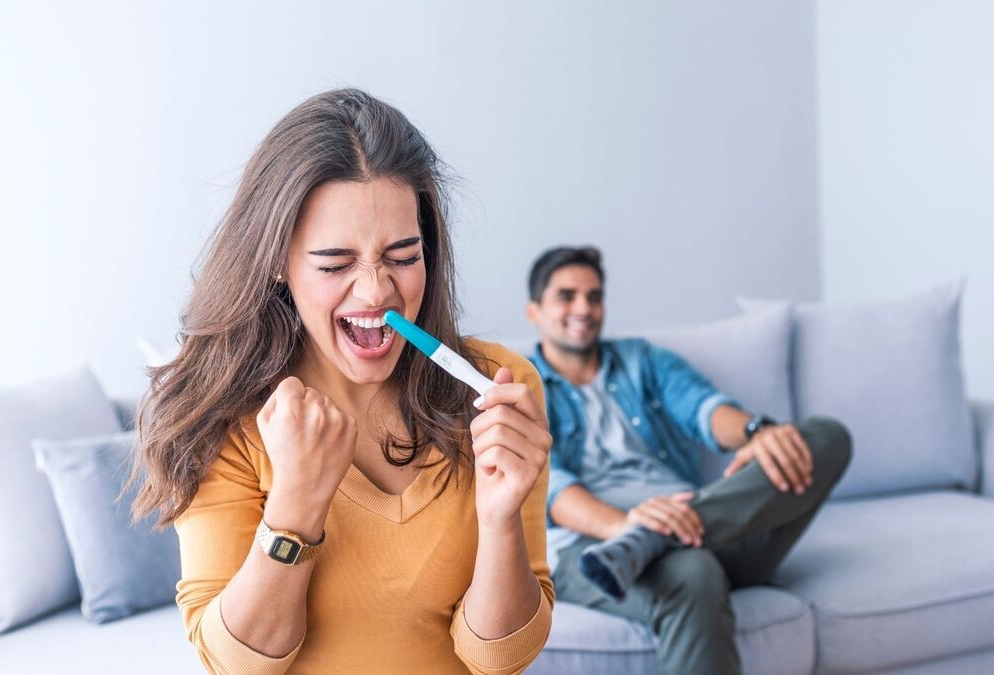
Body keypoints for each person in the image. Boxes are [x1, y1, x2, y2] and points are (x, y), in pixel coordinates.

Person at [128, 89, 554, 674]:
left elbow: (498, 658)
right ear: (277, 260)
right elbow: (236, 666)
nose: (377, 291)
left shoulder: (497, 389)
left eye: (403, 256)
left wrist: (500, 519)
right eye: (335, 264)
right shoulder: (223, 414)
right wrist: (295, 506)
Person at [524, 246, 852, 675]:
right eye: (567, 296)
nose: (584, 308)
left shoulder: (643, 360)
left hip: (703, 525)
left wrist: (758, 432)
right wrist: (623, 526)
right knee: (693, 573)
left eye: (594, 296)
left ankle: (653, 539)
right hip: (597, 550)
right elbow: (550, 487)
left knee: (826, 437)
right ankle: (644, 540)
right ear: (535, 311)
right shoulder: (521, 383)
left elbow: (704, 409)